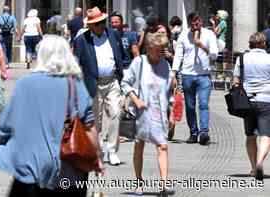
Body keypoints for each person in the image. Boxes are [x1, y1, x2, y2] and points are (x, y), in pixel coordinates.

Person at [0, 35, 104, 196]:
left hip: (30, 170)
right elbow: (89, 127)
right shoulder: (74, 84)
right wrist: (97, 158)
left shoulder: (25, 84)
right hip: (69, 172)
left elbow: (4, 127)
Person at [121, 33, 174, 196]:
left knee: (163, 146)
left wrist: (171, 114)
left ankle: (164, 185)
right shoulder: (139, 62)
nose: (161, 53)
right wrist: (136, 100)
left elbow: (170, 91)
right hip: (142, 113)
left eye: (163, 50)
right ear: (149, 48)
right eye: (159, 50)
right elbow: (125, 82)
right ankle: (139, 182)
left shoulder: (165, 65)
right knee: (139, 146)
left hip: (159, 113)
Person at [73, 7, 125, 165]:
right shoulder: (82, 40)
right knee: (97, 119)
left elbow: (121, 54)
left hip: (112, 81)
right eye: (97, 24)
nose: (101, 26)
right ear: (90, 26)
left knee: (116, 113)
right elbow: (75, 63)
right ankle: (98, 148)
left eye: (103, 22)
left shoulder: (113, 34)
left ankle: (112, 150)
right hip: (93, 83)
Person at [172, 13, 218, 145]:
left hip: (204, 75)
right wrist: (174, 73)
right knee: (190, 106)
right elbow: (178, 56)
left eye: (197, 22)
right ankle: (193, 132)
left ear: (201, 22)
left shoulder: (209, 35)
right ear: (190, 23)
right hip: (187, 75)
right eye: (192, 23)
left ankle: (204, 133)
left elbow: (214, 55)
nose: (195, 25)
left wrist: (202, 46)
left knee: (203, 104)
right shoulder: (183, 36)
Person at [233, 32, 270, 181]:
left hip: (247, 101)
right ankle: (261, 162)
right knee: (266, 135)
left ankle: (254, 168)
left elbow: (235, 81)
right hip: (266, 100)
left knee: (250, 136)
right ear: (263, 44)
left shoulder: (242, 58)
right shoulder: (269, 59)